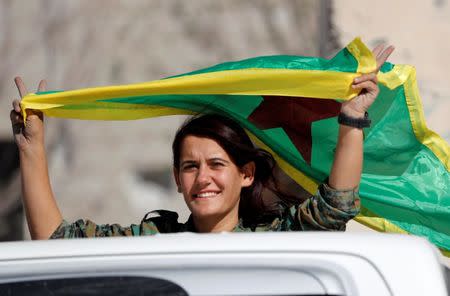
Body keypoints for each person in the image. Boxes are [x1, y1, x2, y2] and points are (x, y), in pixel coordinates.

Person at [9, 45, 394, 239]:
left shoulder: (276, 239)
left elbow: (335, 205)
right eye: (190, 167)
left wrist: (352, 118)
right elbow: (57, 239)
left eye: (216, 164)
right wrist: (31, 148)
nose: (203, 178)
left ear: (246, 174)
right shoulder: (153, 241)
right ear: (177, 179)